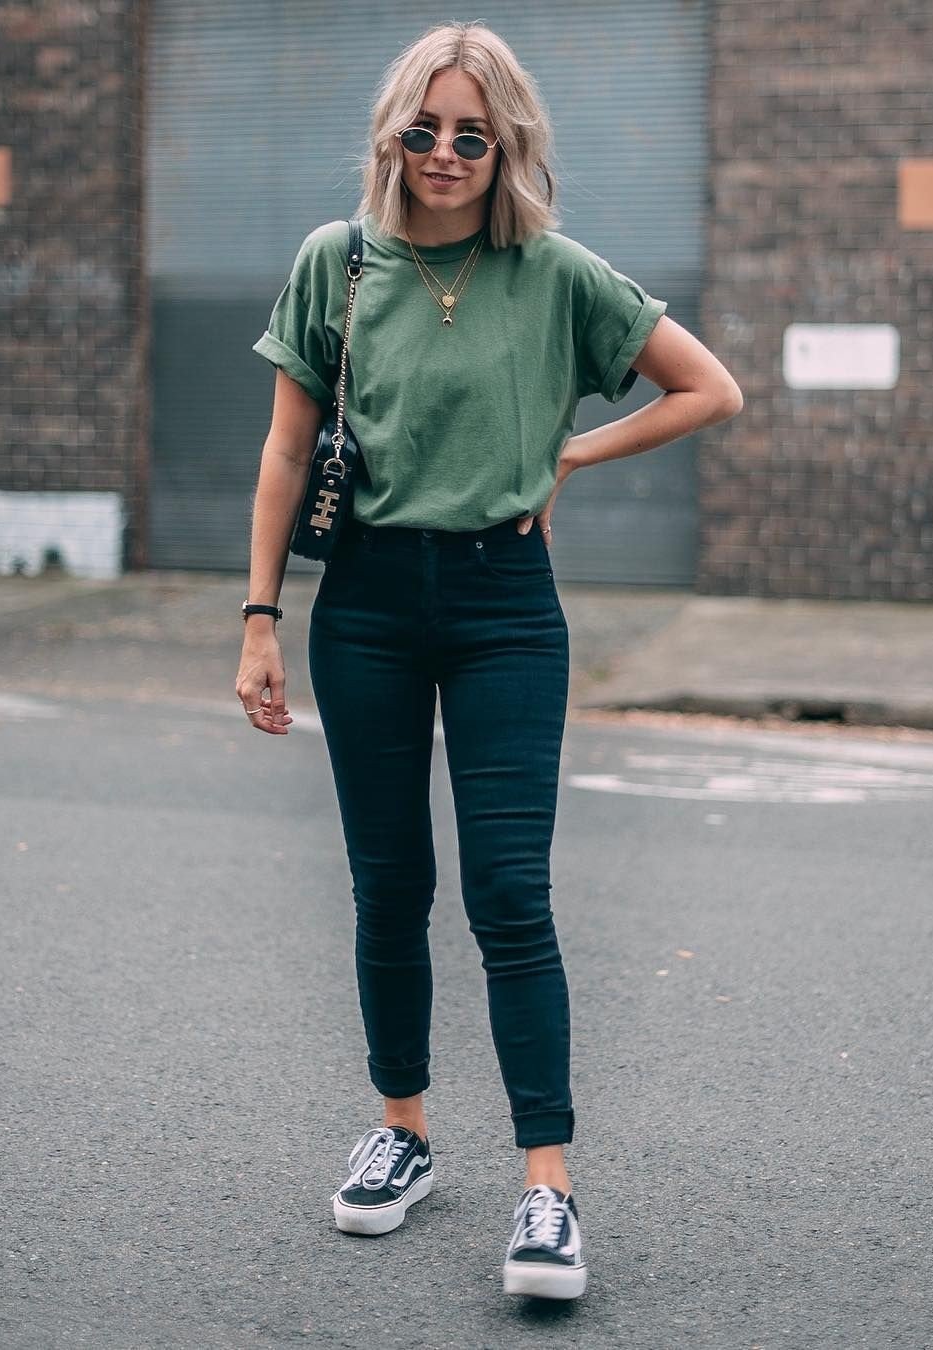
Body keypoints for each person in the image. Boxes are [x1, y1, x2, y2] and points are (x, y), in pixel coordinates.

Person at [236, 21, 743, 1301]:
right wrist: (257, 619)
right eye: (426, 128)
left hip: (507, 603)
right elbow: (288, 452)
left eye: (474, 132)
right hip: (364, 605)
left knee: (511, 893)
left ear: (506, 143)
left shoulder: (557, 273)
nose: (448, 152)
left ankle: (547, 1191)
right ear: (391, 135)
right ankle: (402, 1134)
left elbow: (708, 390)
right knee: (387, 882)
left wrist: (569, 454)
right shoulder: (337, 264)